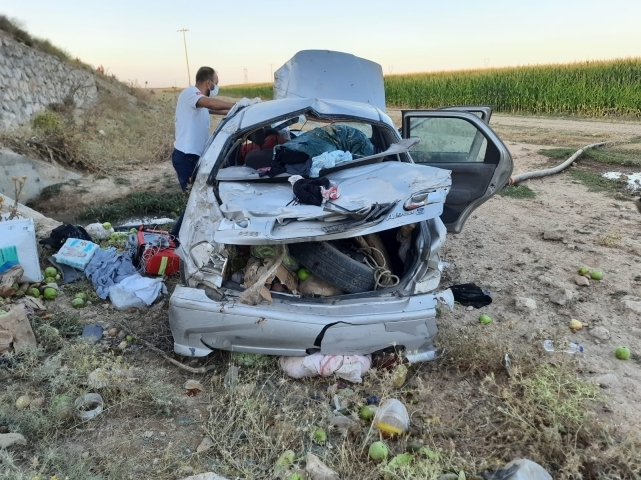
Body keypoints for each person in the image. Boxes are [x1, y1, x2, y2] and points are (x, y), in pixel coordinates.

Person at [172, 66, 235, 192]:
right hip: (187, 156)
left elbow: (220, 110)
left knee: (199, 195)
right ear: (208, 83)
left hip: (194, 156)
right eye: (216, 83)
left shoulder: (199, 103)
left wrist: (240, 109)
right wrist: (237, 104)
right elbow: (211, 103)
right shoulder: (190, 93)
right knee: (193, 196)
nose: (216, 87)